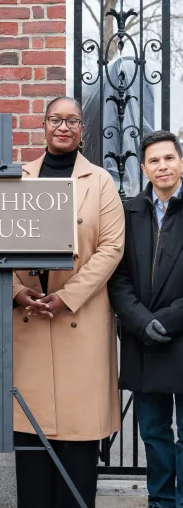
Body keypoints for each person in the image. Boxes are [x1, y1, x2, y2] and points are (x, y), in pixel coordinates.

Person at [12, 96, 125, 508]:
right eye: (55, 120)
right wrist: (15, 292)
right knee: (32, 434)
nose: (63, 127)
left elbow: (112, 248)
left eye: (72, 121)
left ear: (82, 129)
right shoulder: (16, 177)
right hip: (29, 320)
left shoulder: (101, 182)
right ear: (43, 125)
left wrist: (67, 296)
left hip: (80, 319)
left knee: (78, 438)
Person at [109, 130, 183, 508]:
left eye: (168, 158)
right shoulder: (129, 212)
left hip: (181, 336)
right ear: (143, 167)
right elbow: (117, 276)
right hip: (142, 337)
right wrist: (139, 320)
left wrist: (167, 321)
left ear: (181, 162)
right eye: (154, 160)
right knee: (153, 433)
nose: (162, 166)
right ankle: (161, 501)